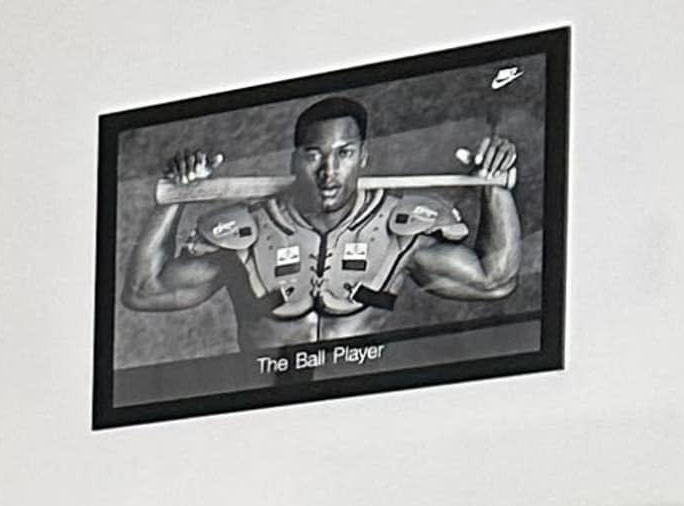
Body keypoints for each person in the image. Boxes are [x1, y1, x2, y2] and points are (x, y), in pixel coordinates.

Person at [124, 94, 524, 369]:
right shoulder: (247, 235)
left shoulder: (398, 231)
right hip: (260, 411)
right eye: (314, 155)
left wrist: (494, 187)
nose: (329, 173)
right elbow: (146, 291)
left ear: (363, 157)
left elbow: (494, 280)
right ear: (295, 159)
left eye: (344, 154)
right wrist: (174, 197)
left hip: (361, 410)